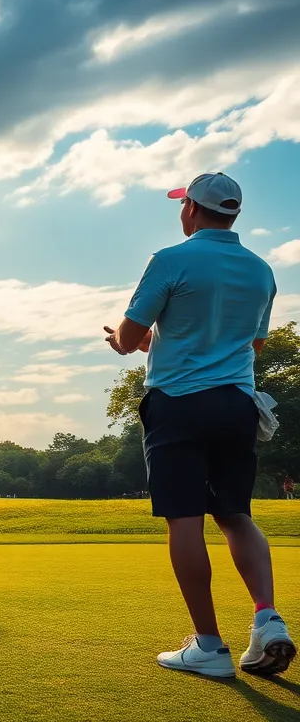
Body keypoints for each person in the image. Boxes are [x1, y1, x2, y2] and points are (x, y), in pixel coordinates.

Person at [104, 172, 294, 678]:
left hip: (178, 404)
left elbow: (128, 337)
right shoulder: (261, 270)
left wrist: (124, 342)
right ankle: (267, 618)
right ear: (233, 213)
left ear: (190, 208)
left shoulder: (170, 259)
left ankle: (209, 646)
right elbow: (252, 347)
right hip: (237, 406)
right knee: (235, 514)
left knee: (185, 519)